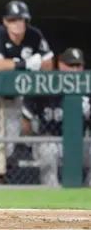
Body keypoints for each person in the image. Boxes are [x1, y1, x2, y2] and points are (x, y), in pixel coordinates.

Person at [0, 0, 54, 184]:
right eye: (13, 20)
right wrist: (24, 64)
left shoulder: (34, 35)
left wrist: (36, 66)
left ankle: (3, 184)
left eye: (21, 20)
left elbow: (48, 64)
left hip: (14, 96)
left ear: (26, 21)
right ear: (6, 21)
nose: (17, 23)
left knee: (9, 143)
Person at [22, 48, 91, 187]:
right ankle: (52, 192)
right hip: (51, 142)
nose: (75, 70)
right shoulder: (44, 85)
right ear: (60, 64)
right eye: (71, 65)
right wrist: (32, 140)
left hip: (80, 144)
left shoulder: (88, 88)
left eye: (78, 66)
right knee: (48, 147)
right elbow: (25, 122)